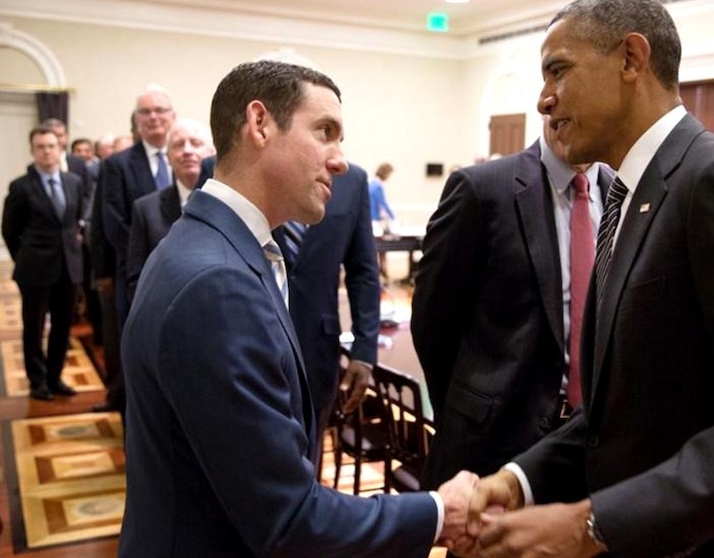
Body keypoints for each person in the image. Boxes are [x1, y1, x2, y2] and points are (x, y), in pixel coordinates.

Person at [463, 0, 714, 558]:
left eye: (558, 72)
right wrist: (519, 481)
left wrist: (591, 523)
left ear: (631, 59)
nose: (543, 101)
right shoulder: (631, 196)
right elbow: (625, 416)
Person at [119, 60, 476, 558]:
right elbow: (288, 519)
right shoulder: (219, 283)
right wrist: (441, 510)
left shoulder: (210, 243)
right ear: (259, 124)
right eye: (325, 132)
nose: (340, 160)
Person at [412, 116, 613, 491]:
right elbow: (431, 322)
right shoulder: (482, 189)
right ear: (549, 106)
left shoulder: (623, 193)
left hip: (594, 447)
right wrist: (467, 412)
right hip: (494, 445)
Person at [273, 161, 380, 464]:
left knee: (309, 460)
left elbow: (363, 271)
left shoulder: (352, 180)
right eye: (323, 129)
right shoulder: (239, 167)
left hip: (317, 348)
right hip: (249, 344)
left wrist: (364, 351)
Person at [95, 86, 176, 413]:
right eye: (146, 112)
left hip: (187, 272)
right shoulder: (117, 165)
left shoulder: (189, 158)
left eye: (160, 110)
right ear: (137, 121)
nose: (153, 117)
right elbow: (112, 221)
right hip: (138, 270)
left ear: (172, 116)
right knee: (134, 345)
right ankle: (132, 413)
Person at [2, 127, 84, 401]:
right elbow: (9, 230)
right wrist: (24, 257)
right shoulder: (21, 186)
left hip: (68, 268)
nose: (47, 151)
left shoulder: (73, 181)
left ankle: (55, 376)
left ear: (59, 148)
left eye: (51, 146)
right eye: (40, 146)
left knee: (62, 326)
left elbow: (74, 222)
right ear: (32, 151)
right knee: (34, 326)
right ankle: (37, 380)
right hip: (35, 270)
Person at [126, 118, 214, 300]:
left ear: (213, 153)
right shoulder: (146, 209)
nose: (188, 151)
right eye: (179, 145)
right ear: (168, 157)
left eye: (196, 144)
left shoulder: (231, 204)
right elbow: (137, 278)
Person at [369, 162, 395, 279]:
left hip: (371, 218)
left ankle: (381, 270)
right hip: (374, 221)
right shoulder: (378, 186)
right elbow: (382, 204)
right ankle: (381, 271)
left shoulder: (370, 183)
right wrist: (393, 217)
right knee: (381, 247)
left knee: (377, 248)